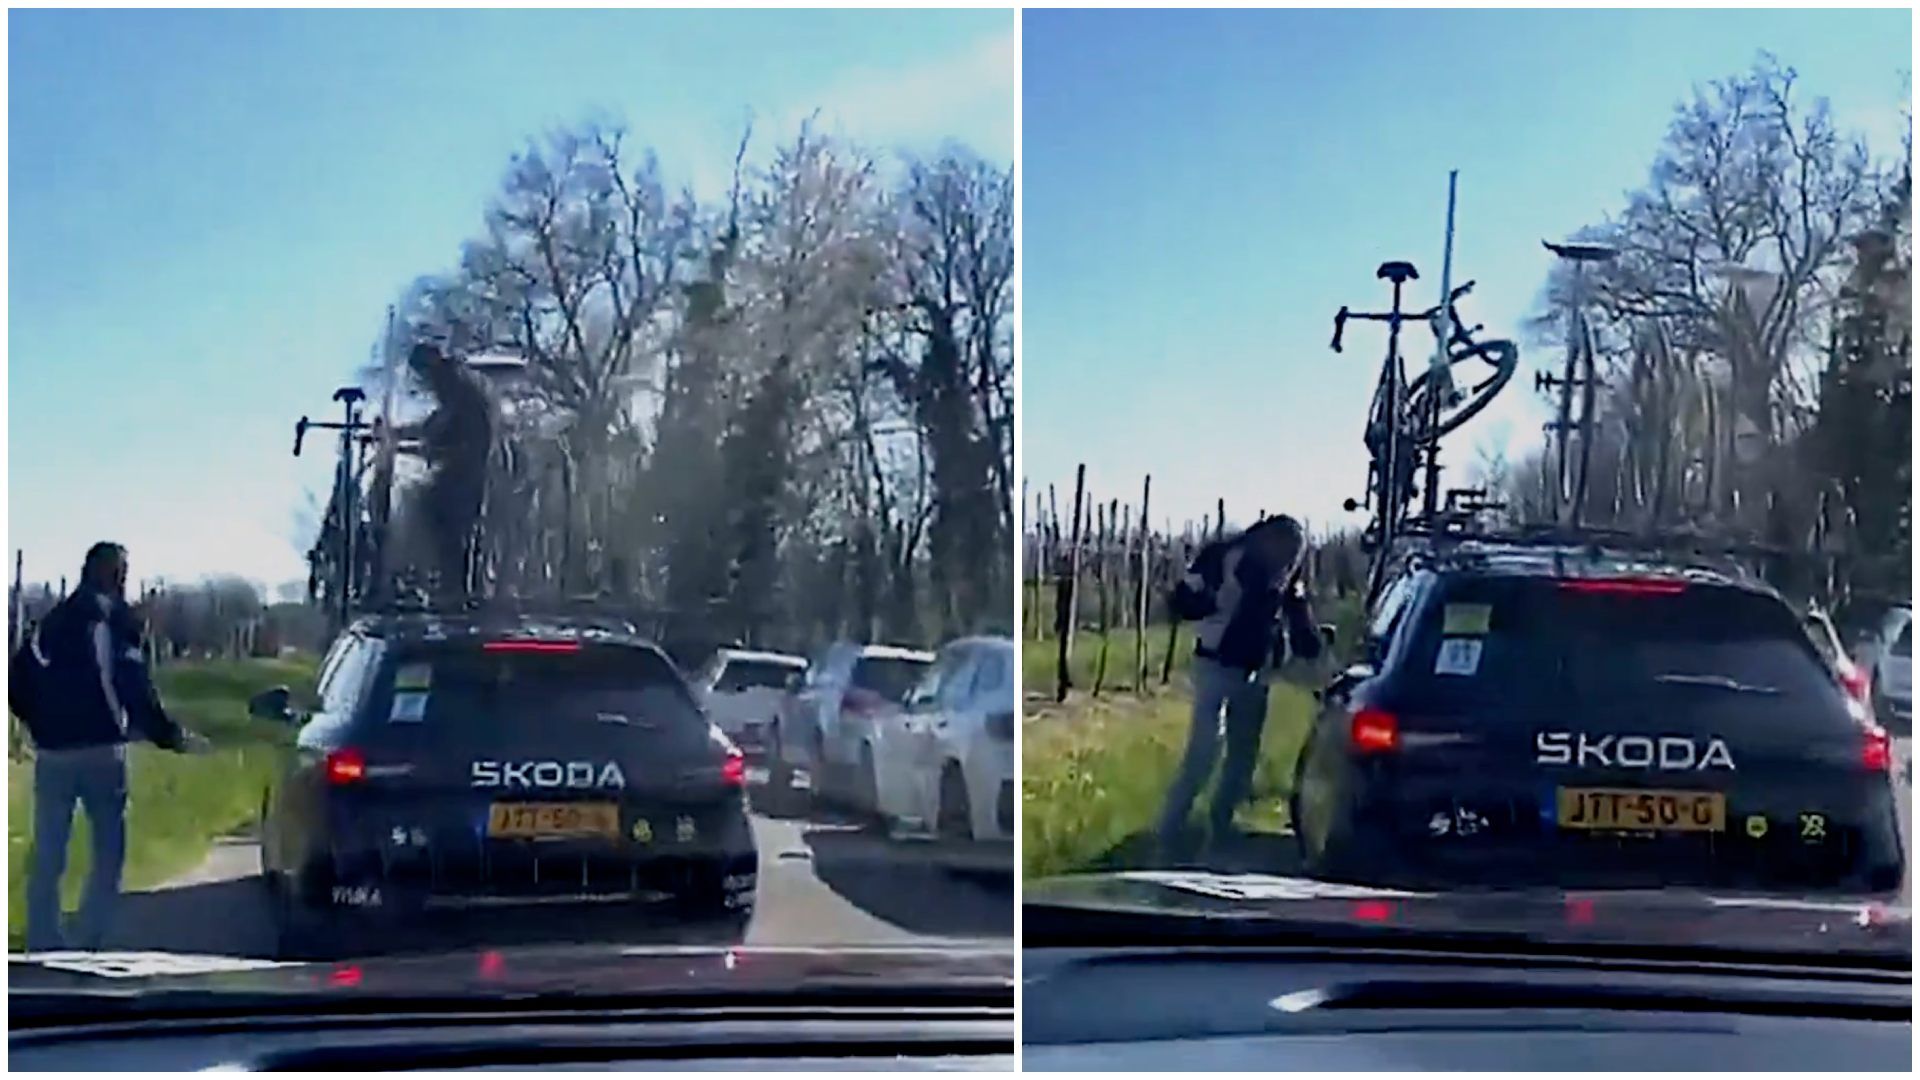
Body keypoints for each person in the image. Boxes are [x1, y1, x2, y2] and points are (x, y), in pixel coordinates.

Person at [16, 543, 207, 951]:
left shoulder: (50, 623)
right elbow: (135, 689)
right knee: (108, 850)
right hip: (103, 750)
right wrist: (170, 737)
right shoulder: (115, 623)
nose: (124, 578)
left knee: (49, 850)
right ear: (110, 573)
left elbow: (16, 684)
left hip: (54, 754)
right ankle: (89, 939)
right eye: (121, 570)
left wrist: (41, 728)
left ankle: (42, 941)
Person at [1157, 515, 1323, 862]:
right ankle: (1169, 829)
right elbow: (1182, 600)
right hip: (1215, 663)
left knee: (1242, 757)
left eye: (1295, 552)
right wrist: (1209, 603)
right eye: (1286, 548)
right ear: (1266, 539)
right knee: (1204, 751)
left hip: (1256, 670)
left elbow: (1299, 615)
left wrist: (1311, 648)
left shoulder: (1286, 573)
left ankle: (1219, 827)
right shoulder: (1221, 557)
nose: (1290, 557)